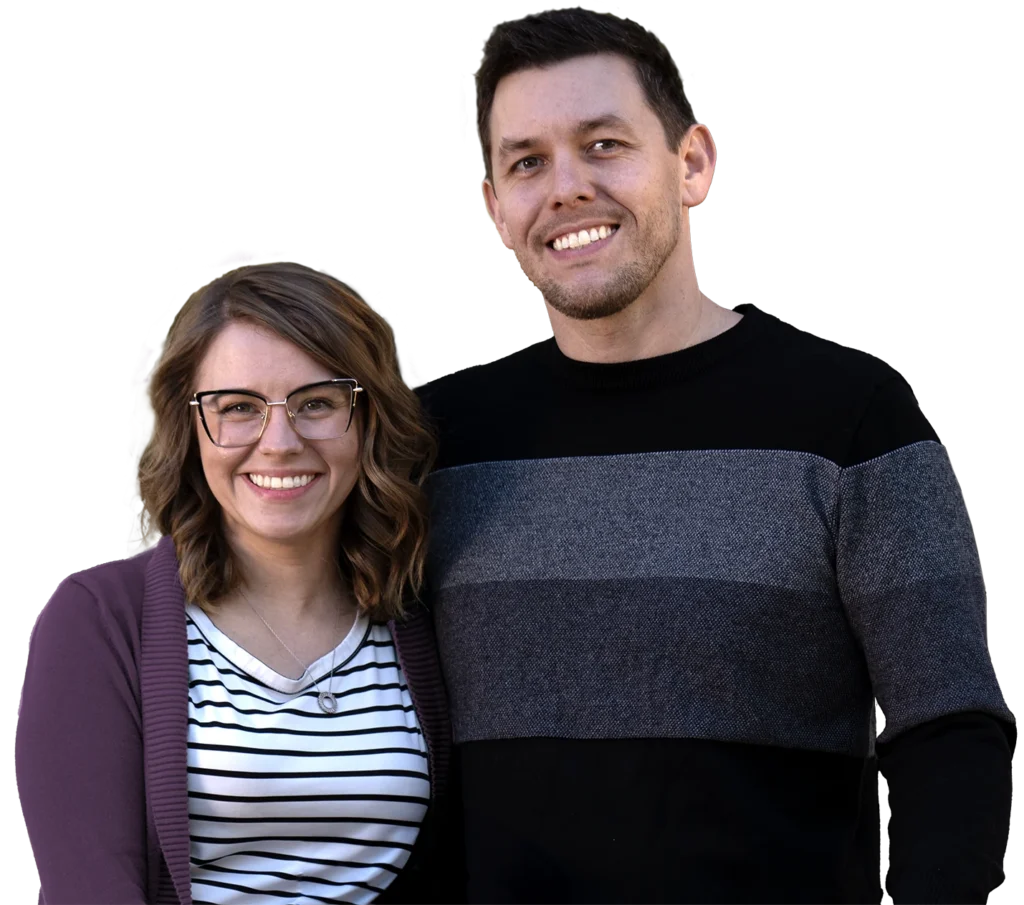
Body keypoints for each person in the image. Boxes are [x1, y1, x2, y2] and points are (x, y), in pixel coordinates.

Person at [417, 10, 1015, 904]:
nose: (567, 187)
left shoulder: (850, 418)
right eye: (527, 162)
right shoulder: (436, 440)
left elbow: (949, 724)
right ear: (494, 208)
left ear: (693, 163)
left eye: (604, 144)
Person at [17, 259, 453, 904]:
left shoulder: (422, 615)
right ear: (191, 427)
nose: (279, 442)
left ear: (367, 420)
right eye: (239, 408)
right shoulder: (101, 618)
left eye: (316, 403)